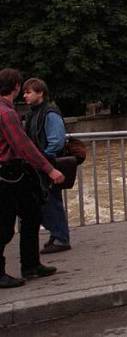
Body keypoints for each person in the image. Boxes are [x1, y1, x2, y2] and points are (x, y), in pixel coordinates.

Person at [0, 69, 64, 288]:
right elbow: (23, 145)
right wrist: (49, 169)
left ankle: (31, 264)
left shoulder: (8, 110)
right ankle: (9, 271)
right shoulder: (6, 113)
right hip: (8, 175)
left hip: (13, 173)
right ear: (16, 86)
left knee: (32, 213)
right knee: (5, 225)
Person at [23, 78, 71, 254]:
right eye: (25, 92)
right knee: (44, 200)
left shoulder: (49, 113)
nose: (25, 95)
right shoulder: (35, 113)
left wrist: (42, 159)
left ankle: (61, 237)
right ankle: (57, 234)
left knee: (50, 200)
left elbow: (56, 141)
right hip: (41, 162)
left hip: (47, 162)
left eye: (29, 92)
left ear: (40, 93)